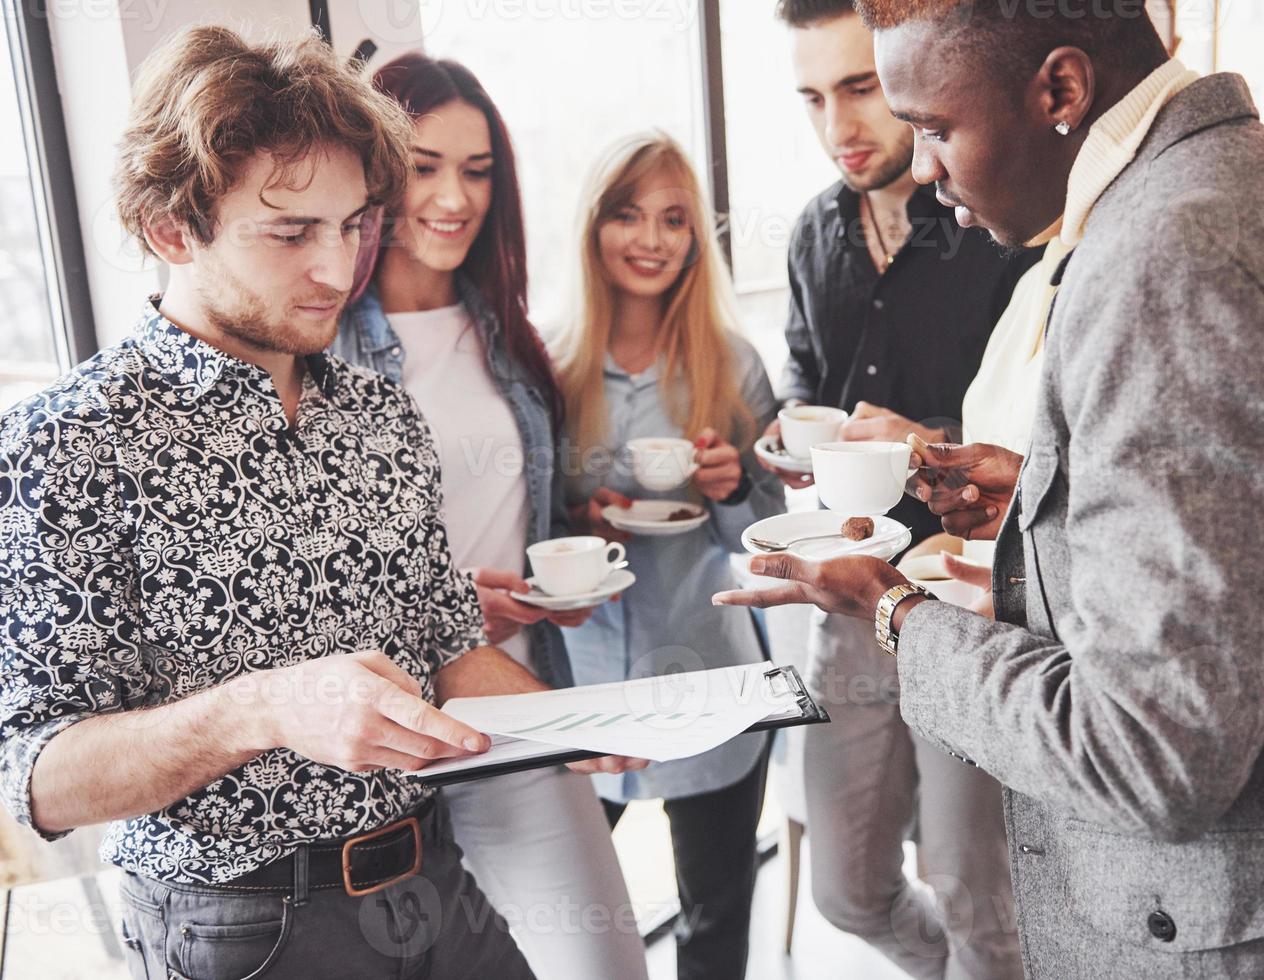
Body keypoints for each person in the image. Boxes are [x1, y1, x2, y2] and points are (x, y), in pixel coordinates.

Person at [717, 2, 1264, 977]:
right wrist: (1044, 501)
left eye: (934, 127)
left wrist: (896, 611)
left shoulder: (1163, 259)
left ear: (1060, 90)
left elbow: (1150, 751)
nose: (922, 168)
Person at [1, 27, 539, 979]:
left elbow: (452, 649)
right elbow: (39, 780)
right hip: (248, 931)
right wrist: (262, 709)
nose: (339, 269)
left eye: (355, 224)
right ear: (174, 229)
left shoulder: (381, 415)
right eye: (291, 233)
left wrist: (616, 724)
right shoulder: (67, 441)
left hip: (437, 884)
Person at [332, 53, 648, 980]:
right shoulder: (320, 351)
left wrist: (578, 546)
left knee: (604, 965)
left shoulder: (506, 336)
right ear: (376, 173)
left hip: (514, 710)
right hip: (384, 745)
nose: (454, 196)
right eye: (424, 165)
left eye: (477, 171)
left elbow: (520, 514)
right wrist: (450, 609)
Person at [765, 3, 1038, 977]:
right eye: (811, 96)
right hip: (846, 595)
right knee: (845, 887)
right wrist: (789, 437)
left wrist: (926, 446)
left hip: (971, 603)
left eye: (859, 87)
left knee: (978, 896)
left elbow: (1050, 445)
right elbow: (804, 384)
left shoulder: (999, 226)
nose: (837, 124)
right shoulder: (812, 233)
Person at [552, 132, 786, 980]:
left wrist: (731, 490)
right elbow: (527, 531)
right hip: (578, 693)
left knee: (713, 924)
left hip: (708, 680)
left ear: (695, 238)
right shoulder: (547, 365)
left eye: (673, 219)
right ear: (594, 227)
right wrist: (580, 522)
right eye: (627, 214)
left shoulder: (732, 363)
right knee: (563, 928)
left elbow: (760, 546)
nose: (650, 239)